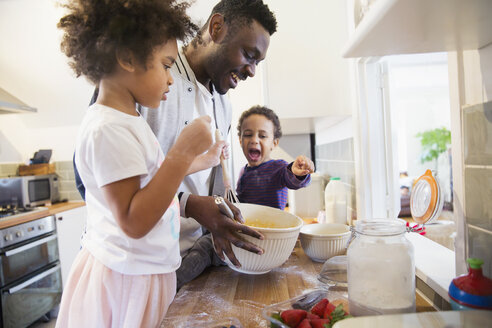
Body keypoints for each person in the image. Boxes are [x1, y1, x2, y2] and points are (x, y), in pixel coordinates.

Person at [56, 1, 262, 326]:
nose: (170, 78)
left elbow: (151, 179)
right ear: (127, 58)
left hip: (157, 268)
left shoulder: (142, 117)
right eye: (166, 65)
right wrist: (182, 154)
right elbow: (130, 217)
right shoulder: (109, 124)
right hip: (127, 277)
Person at [139, 0, 278, 290]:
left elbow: (210, 181)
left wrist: (221, 217)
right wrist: (189, 205)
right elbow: (102, 184)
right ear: (216, 28)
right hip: (142, 266)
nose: (252, 71)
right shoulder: (148, 78)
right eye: (249, 55)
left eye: (258, 63)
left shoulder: (223, 104)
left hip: (190, 260)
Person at [236, 105, 315, 210]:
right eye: (248, 134)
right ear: (240, 141)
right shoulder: (243, 172)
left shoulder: (278, 168)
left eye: (262, 136)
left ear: (274, 143)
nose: (254, 140)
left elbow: (292, 180)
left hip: (274, 225)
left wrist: (297, 174)